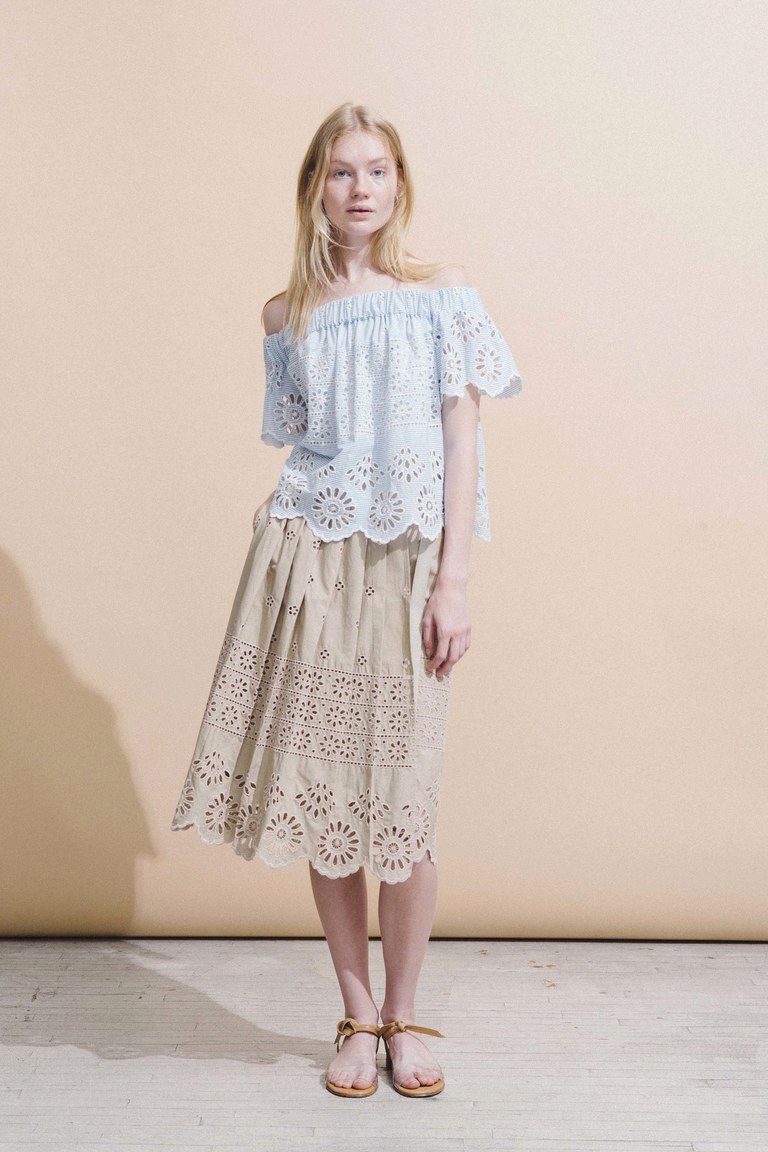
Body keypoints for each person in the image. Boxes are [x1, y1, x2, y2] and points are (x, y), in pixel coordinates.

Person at [170, 101, 522, 1099]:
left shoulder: (442, 296)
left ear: (399, 186)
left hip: (409, 563)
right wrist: (281, 522)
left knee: (404, 803)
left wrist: (453, 580)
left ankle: (406, 1018)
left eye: (376, 170)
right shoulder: (287, 315)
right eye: (340, 171)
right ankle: (358, 1018)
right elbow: (305, 441)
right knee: (327, 798)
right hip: (309, 561)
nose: (359, 188)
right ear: (314, 189)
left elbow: (462, 438)